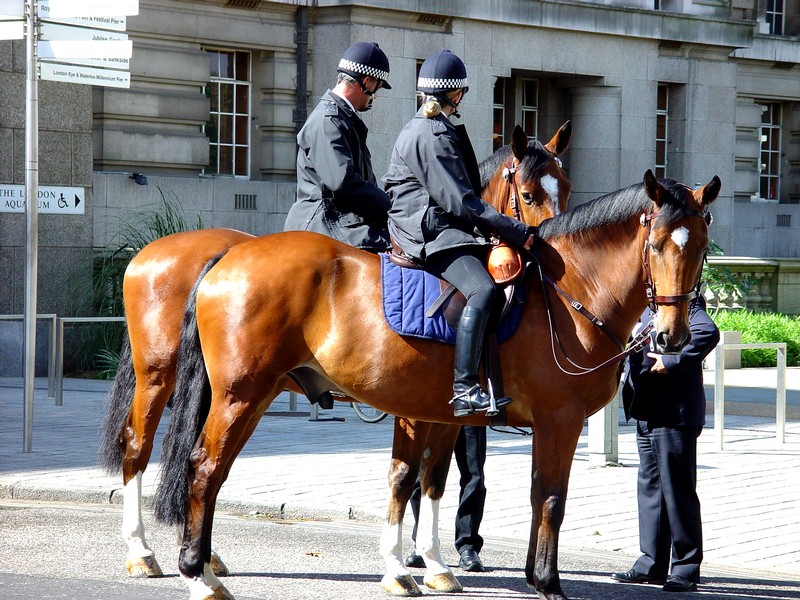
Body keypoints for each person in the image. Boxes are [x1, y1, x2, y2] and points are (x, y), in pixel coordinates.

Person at [383, 49, 535, 417]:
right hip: (429, 230)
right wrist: (517, 231)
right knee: (482, 290)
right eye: (462, 93)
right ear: (456, 94)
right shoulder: (430, 133)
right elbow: (460, 201)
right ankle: (465, 387)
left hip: (441, 223)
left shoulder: (435, 127)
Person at [611, 295, 720, 593]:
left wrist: (673, 361)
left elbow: (709, 332)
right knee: (650, 490)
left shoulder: (685, 304)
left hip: (675, 413)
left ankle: (685, 568)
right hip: (646, 410)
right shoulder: (645, 307)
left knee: (677, 492)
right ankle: (651, 563)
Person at [284, 42, 392, 252]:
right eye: (377, 86)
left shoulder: (343, 117)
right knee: (399, 248)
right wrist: (391, 207)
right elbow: (343, 183)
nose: (376, 95)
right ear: (366, 81)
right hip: (323, 221)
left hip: (341, 217)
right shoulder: (328, 120)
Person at [405, 425, 488, 571]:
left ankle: (468, 545)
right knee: (421, 476)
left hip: (467, 409)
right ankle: (423, 539)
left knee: (474, 476)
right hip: (433, 409)